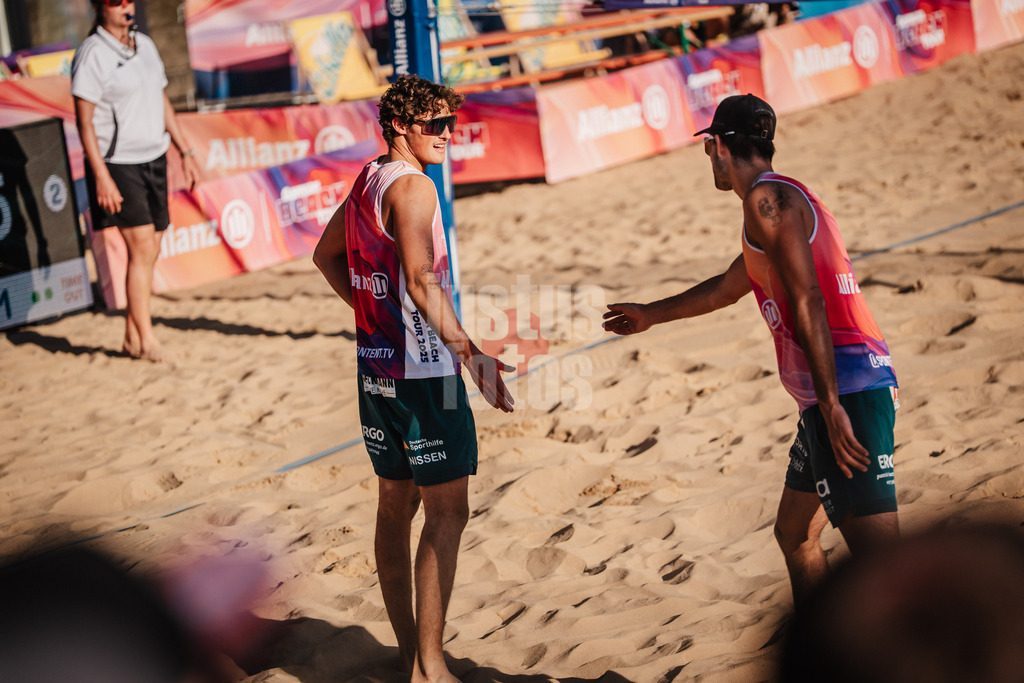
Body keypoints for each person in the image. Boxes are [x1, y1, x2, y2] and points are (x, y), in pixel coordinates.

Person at [602, 94, 900, 607]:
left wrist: (829, 404)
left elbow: (806, 295)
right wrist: (651, 313)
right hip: (833, 395)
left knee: (890, 575)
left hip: (847, 393)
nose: (709, 161)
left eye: (708, 149)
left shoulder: (768, 202)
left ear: (718, 145)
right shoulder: (776, 201)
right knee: (795, 534)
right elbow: (726, 288)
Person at [313, 74, 514, 683]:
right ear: (400, 125)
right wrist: (473, 356)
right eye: (434, 125)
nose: (447, 135)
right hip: (425, 373)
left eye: (451, 123)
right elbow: (423, 280)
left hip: (375, 370)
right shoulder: (415, 189)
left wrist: (372, 315)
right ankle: (430, 666)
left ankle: (410, 658)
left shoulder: (369, 176)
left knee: (394, 506)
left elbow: (325, 256)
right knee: (447, 514)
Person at [72, 0, 198, 362]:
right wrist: (101, 177)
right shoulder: (92, 53)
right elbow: (84, 123)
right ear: (100, 8)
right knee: (141, 249)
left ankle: (131, 334)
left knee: (152, 246)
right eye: (115, 1)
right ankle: (146, 339)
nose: (125, 6)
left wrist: (185, 152)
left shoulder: (144, 44)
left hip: (154, 156)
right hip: (118, 163)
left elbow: (161, 100)